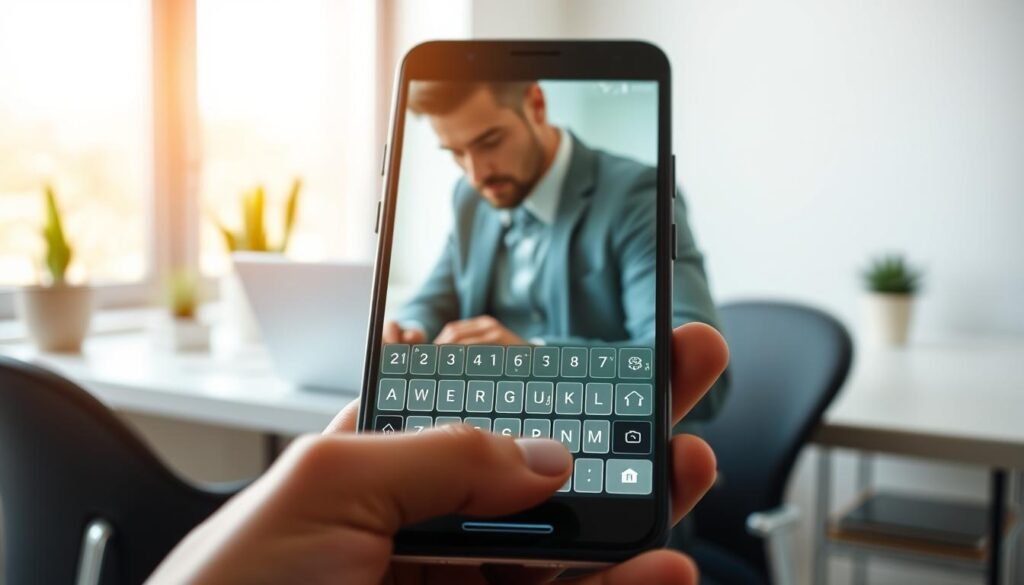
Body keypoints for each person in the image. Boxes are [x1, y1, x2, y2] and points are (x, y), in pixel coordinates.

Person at [146, 323, 728, 584]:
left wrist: (540, 361)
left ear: (536, 108)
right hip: (469, 487)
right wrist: (411, 340)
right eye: (459, 153)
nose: (478, 169)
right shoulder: (471, 200)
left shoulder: (631, 196)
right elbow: (427, 303)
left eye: (488, 142)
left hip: (603, 477)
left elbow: (681, 346)